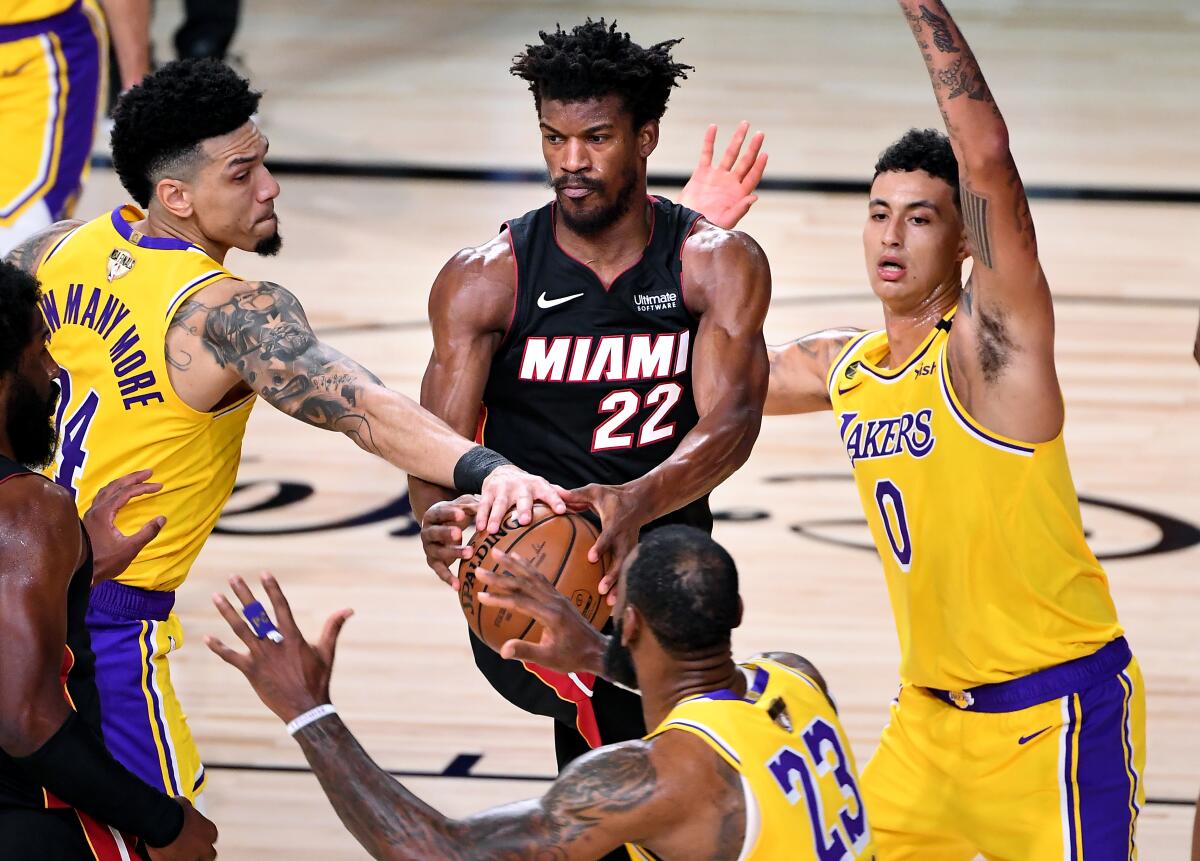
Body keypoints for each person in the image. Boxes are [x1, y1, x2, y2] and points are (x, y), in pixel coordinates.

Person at [4, 58, 567, 808]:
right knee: (172, 841)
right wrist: (489, 469)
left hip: (14, 580)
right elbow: (361, 404)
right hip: (101, 631)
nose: (269, 186)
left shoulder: (51, 253)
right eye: (242, 173)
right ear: (175, 195)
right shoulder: (225, 314)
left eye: (263, 159)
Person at [763, 2, 1141, 856]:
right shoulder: (847, 367)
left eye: (921, 216)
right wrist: (690, 230)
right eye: (878, 211)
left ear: (965, 241)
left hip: (1056, 720)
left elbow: (988, 159)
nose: (891, 234)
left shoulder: (990, 354)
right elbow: (713, 370)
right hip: (926, 728)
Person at [411, 20, 771, 805]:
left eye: (597, 138)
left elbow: (735, 420)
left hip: (664, 559)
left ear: (645, 137)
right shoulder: (486, 279)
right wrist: (436, 516)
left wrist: (636, 499)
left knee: (657, 785)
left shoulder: (712, 263)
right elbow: (431, 443)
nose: (571, 162)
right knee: (637, 781)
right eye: (554, 137)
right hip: (536, 564)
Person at [207, 525, 874, 860]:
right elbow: (710, 695)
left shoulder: (656, 778)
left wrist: (307, 710)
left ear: (633, 619)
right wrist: (595, 652)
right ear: (734, 610)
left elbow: (443, 850)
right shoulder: (795, 676)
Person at [0, 260, 217, 860]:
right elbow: (24, 719)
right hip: (28, 824)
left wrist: (79, 561)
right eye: (40, 352)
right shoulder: (27, 508)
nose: (51, 373)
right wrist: (162, 823)